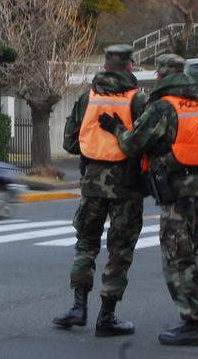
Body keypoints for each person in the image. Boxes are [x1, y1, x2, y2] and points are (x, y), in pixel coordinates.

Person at [98, 53, 198, 347]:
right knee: (189, 254)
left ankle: (193, 323)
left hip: (175, 193)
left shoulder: (162, 107)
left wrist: (117, 129)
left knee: (176, 257)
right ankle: (196, 308)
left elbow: (133, 144)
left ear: (161, 77)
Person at [54, 44, 147, 337]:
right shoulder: (138, 100)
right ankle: (107, 317)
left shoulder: (87, 97)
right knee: (119, 251)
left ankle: (78, 307)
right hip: (126, 186)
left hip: (92, 183)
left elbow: (70, 143)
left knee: (86, 244)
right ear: (130, 67)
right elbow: (144, 142)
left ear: (105, 67)